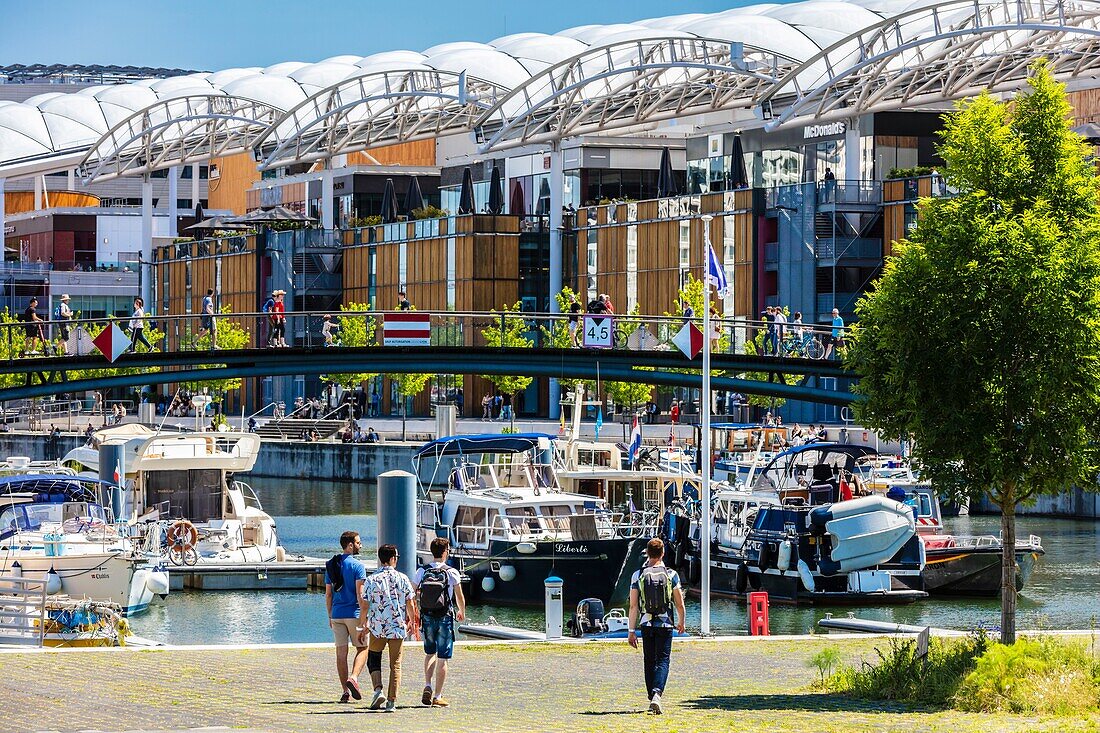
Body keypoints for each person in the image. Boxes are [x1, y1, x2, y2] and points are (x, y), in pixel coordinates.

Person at [627, 537, 686, 715]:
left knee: (649, 660)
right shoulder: (671, 575)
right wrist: (681, 621)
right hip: (665, 623)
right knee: (663, 660)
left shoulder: (638, 575)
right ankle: (657, 695)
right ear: (663, 553)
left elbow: (633, 606)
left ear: (647, 552)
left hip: (646, 622)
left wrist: (631, 631)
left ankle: (651, 695)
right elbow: (679, 603)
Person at [359, 544, 416, 713]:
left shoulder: (371, 580)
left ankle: (378, 689)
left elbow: (365, 605)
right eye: (396, 557)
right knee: (395, 664)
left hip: (377, 626)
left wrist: (363, 624)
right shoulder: (403, 578)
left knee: (374, 658)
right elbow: (410, 603)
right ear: (392, 558)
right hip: (397, 626)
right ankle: (391, 702)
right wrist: (412, 621)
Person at [412, 538, 466, 707]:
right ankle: (438, 695)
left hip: (426, 616)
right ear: (445, 552)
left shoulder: (422, 571)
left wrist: (414, 612)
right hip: (445, 617)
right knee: (443, 657)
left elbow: (411, 593)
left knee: (430, 653)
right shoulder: (451, 572)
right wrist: (461, 611)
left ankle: (427, 685)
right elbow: (459, 595)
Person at [325, 531, 369, 704]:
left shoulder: (331, 564)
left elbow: (328, 594)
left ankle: (345, 691)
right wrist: (365, 616)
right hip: (354, 614)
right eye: (358, 542)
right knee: (363, 648)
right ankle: (354, 677)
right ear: (350, 545)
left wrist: (330, 615)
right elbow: (361, 594)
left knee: (341, 654)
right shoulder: (358, 566)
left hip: (336, 614)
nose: (360, 545)